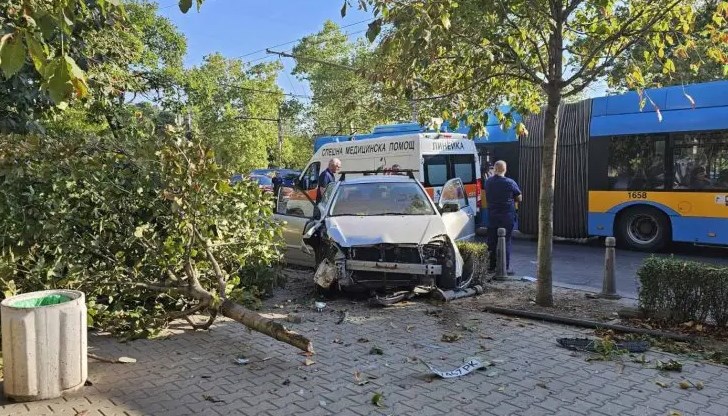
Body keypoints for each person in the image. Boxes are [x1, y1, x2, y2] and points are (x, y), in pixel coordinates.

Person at [484, 160, 522, 275]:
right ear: (505, 169)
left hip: (492, 216)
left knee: (492, 242)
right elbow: (519, 197)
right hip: (507, 216)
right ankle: (504, 268)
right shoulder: (510, 182)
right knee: (506, 242)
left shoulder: (488, 182)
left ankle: (491, 266)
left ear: (494, 169)